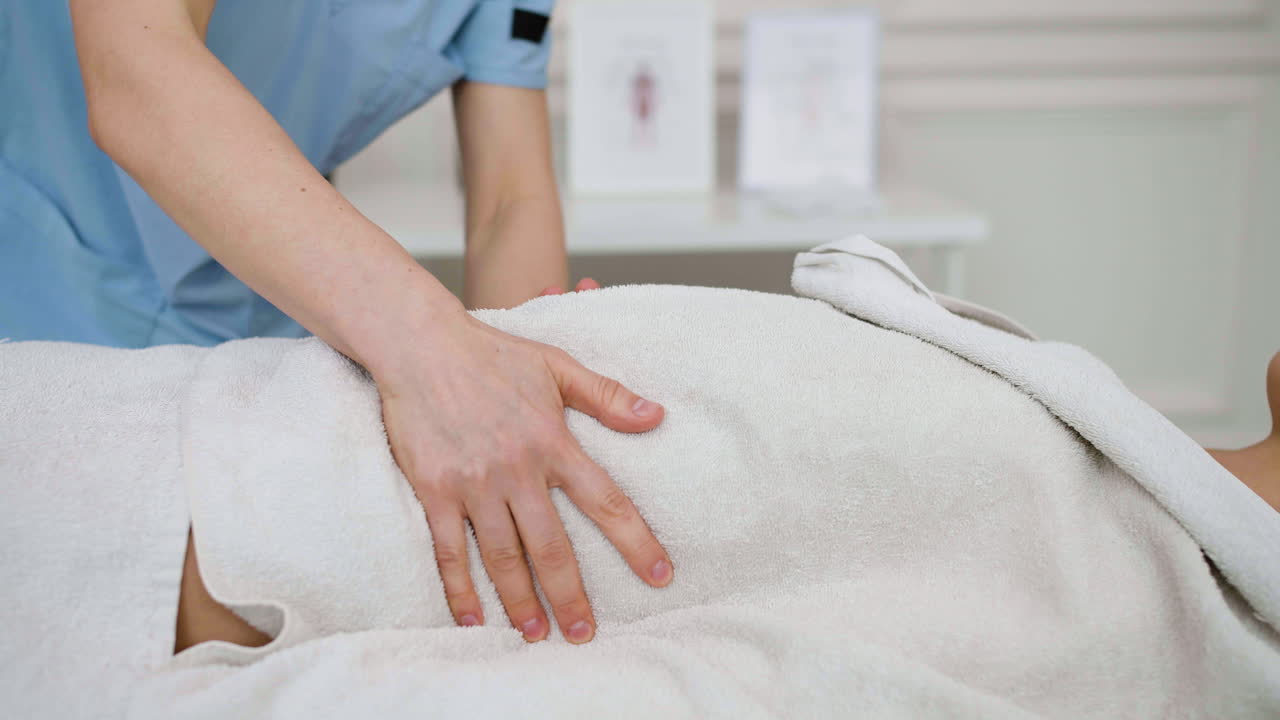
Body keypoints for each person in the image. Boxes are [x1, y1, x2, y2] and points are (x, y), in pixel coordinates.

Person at [0, 0, 674, 645]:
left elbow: (508, 204)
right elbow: (133, 71)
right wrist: (435, 351)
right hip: (45, 297)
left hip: (275, 315)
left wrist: (531, 370)